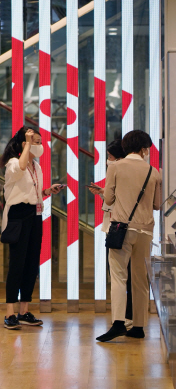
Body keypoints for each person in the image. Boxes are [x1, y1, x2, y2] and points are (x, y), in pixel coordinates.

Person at [97, 130, 162, 342]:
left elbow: (108, 197)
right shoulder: (154, 171)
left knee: (118, 277)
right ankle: (139, 326)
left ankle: (118, 323)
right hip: (145, 230)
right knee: (140, 280)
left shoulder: (115, 167)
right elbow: (157, 204)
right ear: (143, 149)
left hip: (121, 229)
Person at [0, 127, 64, 330]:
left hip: (35, 215)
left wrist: (46, 191)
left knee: (31, 264)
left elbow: (31, 191)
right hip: (18, 216)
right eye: (34, 141)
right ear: (23, 144)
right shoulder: (13, 163)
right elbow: (19, 170)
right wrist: (26, 143)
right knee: (17, 264)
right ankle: (9, 312)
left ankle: (24, 310)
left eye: (38, 141)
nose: (39, 145)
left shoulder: (36, 166)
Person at [88, 139, 134, 330]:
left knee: (120, 276)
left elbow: (112, 201)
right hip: (127, 227)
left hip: (119, 229)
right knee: (129, 276)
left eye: (109, 157)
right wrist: (102, 193)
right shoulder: (130, 173)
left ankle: (123, 318)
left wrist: (104, 195)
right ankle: (128, 317)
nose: (108, 160)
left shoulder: (115, 171)